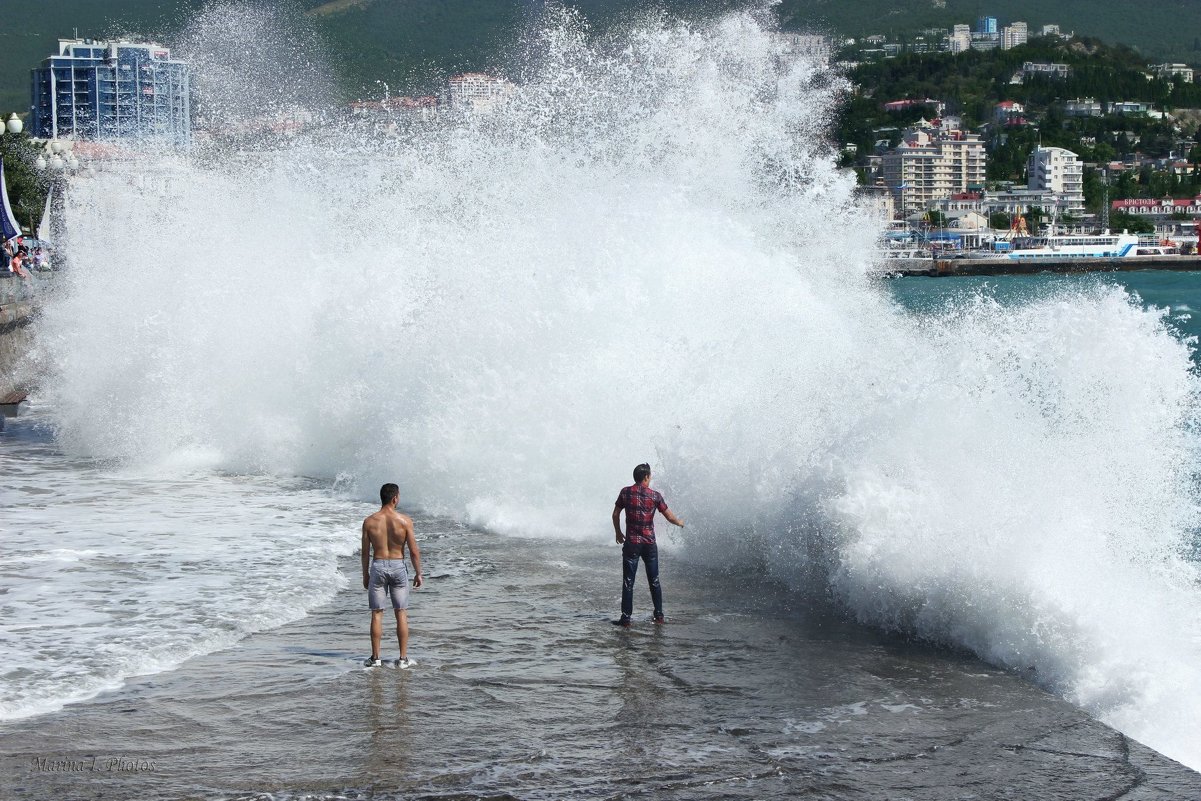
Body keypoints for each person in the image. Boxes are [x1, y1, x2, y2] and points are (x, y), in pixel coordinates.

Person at [612, 463, 684, 627]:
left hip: (632, 544)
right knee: (654, 580)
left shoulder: (625, 492)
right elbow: (670, 517)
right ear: (646, 477)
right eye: (650, 476)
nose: (650, 479)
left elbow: (615, 513)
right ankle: (659, 615)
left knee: (628, 582)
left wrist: (618, 532)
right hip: (649, 544)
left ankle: (625, 619)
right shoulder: (655, 496)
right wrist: (680, 523)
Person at [361, 483, 422, 668]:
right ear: (395, 498)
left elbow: (365, 553)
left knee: (377, 613)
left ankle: (376, 658)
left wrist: (365, 575)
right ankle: (403, 659)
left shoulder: (369, 522)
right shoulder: (404, 521)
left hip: (378, 566)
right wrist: (418, 573)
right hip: (398, 566)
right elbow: (413, 552)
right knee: (401, 612)